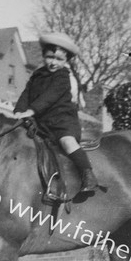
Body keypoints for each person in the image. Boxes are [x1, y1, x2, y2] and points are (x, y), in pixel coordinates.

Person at [14, 32, 101, 193]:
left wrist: (31, 110)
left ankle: (88, 175)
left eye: (59, 59)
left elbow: (49, 96)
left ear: (66, 61)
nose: (53, 62)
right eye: (49, 57)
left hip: (62, 122)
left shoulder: (62, 77)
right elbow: (26, 94)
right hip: (41, 122)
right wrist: (19, 111)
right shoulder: (37, 75)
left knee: (67, 143)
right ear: (43, 56)